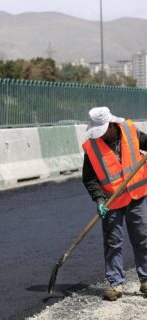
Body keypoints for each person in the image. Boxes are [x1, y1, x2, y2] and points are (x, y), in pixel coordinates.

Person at [82, 106, 147, 301]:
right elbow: (90, 178)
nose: (100, 135)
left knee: (143, 237)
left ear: (111, 124)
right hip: (112, 200)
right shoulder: (92, 147)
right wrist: (99, 199)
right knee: (112, 242)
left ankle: (146, 280)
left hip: (137, 195)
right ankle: (115, 284)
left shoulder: (130, 131)